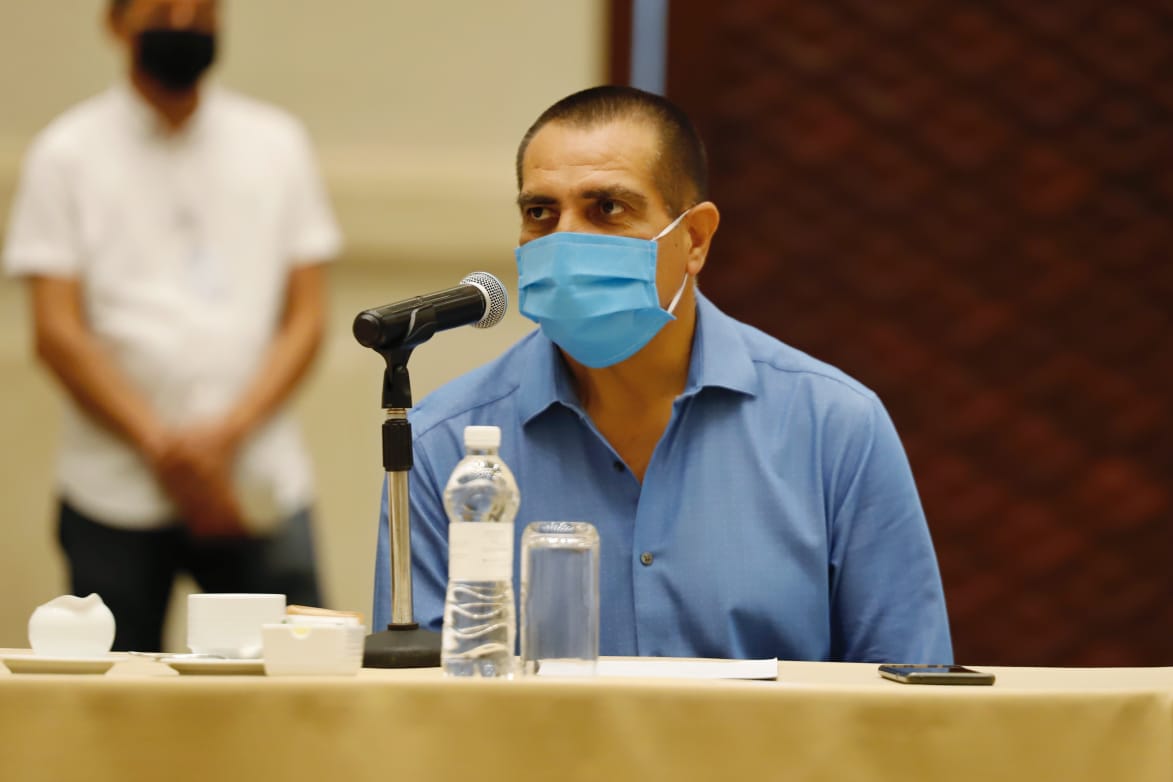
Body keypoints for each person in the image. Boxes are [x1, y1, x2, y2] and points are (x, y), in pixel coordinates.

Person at [372, 85, 951, 663]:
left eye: (607, 208)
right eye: (540, 212)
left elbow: (909, 691)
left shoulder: (834, 428)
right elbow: (416, 701)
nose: (566, 240)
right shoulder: (444, 445)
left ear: (695, 239)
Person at [2, 0, 341, 652]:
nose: (184, 24)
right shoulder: (65, 154)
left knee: (292, 687)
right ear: (116, 23)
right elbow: (57, 332)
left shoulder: (277, 143)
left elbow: (307, 317)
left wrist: (225, 439)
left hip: (256, 477)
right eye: (163, 8)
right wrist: (169, 451)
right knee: (115, 694)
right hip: (113, 487)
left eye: (202, 12)